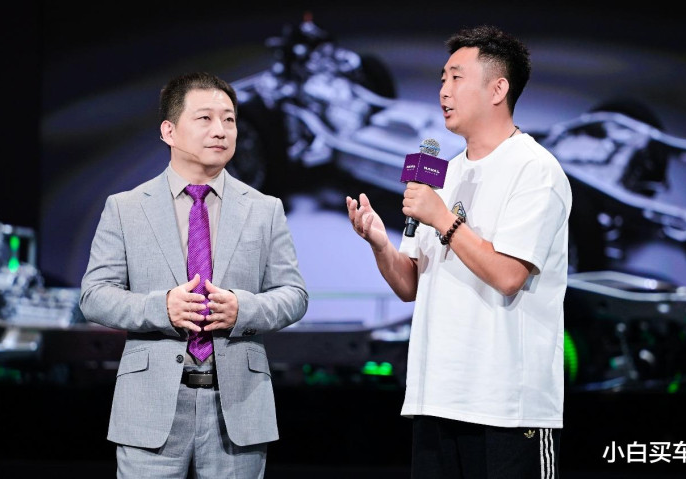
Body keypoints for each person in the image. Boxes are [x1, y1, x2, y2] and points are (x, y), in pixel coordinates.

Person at [346, 25, 572, 478]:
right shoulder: (442, 173)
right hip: (437, 399)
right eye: (442, 79)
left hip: (508, 409)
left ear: (498, 89)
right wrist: (380, 243)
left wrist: (444, 219)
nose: (443, 91)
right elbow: (410, 284)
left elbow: (508, 275)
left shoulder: (535, 169)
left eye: (456, 78)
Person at [80, 71, 308, 478]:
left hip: (237, 407)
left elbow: (293, 295)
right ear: (169, 131)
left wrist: (242, 309)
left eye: (229, 119)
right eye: (205, 118)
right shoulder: (126, 207)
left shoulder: (264, 209)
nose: (221, 130)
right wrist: (161, 307)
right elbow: (94, 296)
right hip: (150, 408)